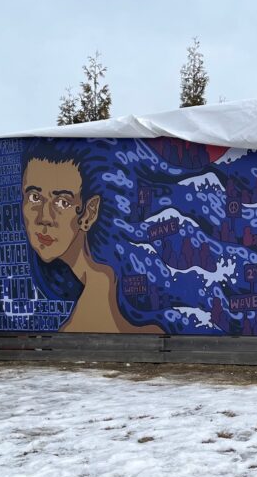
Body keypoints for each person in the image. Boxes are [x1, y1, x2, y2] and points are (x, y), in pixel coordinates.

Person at [20, 139, 163, 334]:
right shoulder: (97, 280)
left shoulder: (96, 294)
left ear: (88, 213)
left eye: (62, 202)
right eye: (34, 197)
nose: (44, 218)